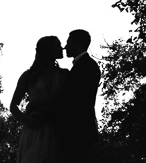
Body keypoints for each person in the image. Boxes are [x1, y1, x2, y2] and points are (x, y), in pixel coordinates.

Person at [10, 36, 68, 163]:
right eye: (57, 46)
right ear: (47, 50)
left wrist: (37, 103)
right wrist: (26, 119)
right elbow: (13, 105)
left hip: (56, 127)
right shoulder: (28, 76)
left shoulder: (64, 74)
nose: (62, 48)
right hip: (34, 128)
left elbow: (65, 100)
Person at [55, 29, 101, 163]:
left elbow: (76, 100)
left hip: (76, 130)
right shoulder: (84, 65)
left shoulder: (87, 66)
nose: (65, 46)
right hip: (77, 129)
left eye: (68, 42)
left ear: (76, 42)